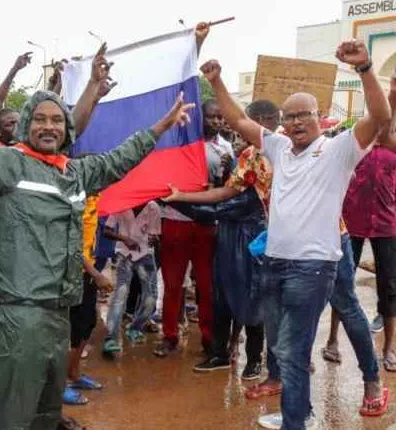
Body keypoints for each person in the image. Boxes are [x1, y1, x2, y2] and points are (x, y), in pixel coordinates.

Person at [0, 34, 194, 430]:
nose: (48, 126)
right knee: (10, 417)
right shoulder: (7, 164)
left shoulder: (75, 174)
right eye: (40, 118)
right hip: (17, 315)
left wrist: (160, 127)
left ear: (67, 130)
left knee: (45, 414)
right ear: (25, 124)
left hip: (58, 315)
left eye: (57, 120)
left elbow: (119, 160)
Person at [202, 36, 390, 429]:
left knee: (294, 347)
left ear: (319, 117)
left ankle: (299, 420)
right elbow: (239, 120)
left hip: (313, 267)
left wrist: (365, 68)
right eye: (289, 117)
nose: (296, 122)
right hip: (273, 264)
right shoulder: (278, 148)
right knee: (284, 347)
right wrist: (217, 81)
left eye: (304, 115)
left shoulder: (338, 149)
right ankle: (299, 414)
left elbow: (379, 116)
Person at [162, 100, 276, 379]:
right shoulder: (248, 155)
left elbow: (216, 208)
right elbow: (223, 193)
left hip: (249, 238)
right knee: (220, 297)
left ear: (260, 121)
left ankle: (253, 360)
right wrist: (181, 197)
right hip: (227, 237)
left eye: (242, 122)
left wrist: (173, 199)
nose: (235, 129)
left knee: (251, 299)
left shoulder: (276, 156)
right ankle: (219, 354)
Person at [331, 72, 396, 370]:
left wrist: (393, 93)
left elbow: (387, 124)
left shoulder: (392, 146)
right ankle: (331, 340)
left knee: (390, 287)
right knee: (342, 281)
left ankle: (389, 349)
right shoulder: (354, 142)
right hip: (352, 222)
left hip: (387, 223)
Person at [63, 192, 114, 406]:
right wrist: (97, 275)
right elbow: (71, 246)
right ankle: (61, 385)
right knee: (71, 331)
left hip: (88, 271)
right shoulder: (75, 205)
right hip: (75, 273)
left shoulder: (97, 201)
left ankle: (74, 374)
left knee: (87, 324)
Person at [102, 202, 161, 354]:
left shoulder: (153, 208)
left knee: (151, 297)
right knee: (120, 294)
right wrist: (124, 238)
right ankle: (110, 337)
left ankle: (136, 326)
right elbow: (106, 231)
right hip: (124, 253)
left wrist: (154, 239)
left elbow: (154, 235)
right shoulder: (122, 204)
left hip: (145, 254)